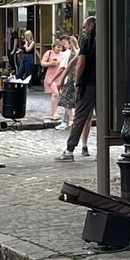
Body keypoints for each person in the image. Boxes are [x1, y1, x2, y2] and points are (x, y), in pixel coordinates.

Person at [54, 17, 97, 162]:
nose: (83, 30)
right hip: (103, 83)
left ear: (91, 25)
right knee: (102, 117)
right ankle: (102, 149)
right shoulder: (104, 38)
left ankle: (69, 150)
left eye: (85, 27)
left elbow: (80, 63)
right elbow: (77, 59)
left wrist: (78, 82)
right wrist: (64, 75)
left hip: (89, 83)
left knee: (80, 116)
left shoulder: (86, 40)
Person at [41, 41, 64, 122]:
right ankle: (54, 113)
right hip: (50, 76)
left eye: (61, 47)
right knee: (55, 93)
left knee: (58, 94)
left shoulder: (63, 54)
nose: (59, 49)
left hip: (59, 76)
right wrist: (51, 63)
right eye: (57, 47)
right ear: (53, 47)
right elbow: (42, 63)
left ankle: (53, 111)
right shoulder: (49, 53)